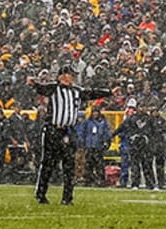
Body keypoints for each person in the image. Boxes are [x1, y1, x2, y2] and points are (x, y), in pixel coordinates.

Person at [28, 68, 115, 205]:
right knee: (48, 164)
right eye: (70, 75)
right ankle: (41, 194)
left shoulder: (76, 90)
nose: (73, 77)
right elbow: (42, 89)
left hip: (68, 131)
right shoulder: (54, 88)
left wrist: (108, 92)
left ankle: (67, 197)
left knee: (69, 166)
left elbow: (91, 93)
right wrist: (34, 84)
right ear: (63, 76)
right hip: (53, 130)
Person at [78, 105, 113, 186]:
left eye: (96, 112)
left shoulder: (103, 122)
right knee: (88, 164)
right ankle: (89, 180)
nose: (95, 114)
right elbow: (82, 133)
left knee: (99, 165)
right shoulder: (87, 122)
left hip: (98, 146)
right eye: (94, 112)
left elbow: (107, 133)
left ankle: (100, 180)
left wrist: (106, 142)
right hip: (89, 146)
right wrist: (82, 143)